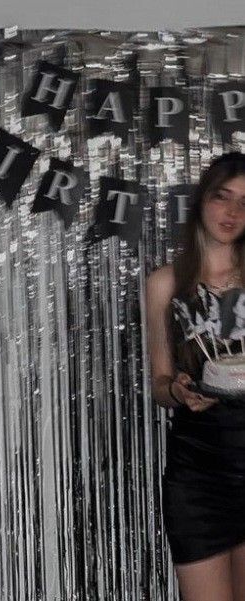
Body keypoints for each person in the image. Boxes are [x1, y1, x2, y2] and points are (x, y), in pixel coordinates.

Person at [146, 152, 245, 601]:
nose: (233, 212)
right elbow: (160, 383)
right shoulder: (164, 283)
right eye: (222, 197)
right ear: (202, 200)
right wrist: (178, 391)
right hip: (198, 474)